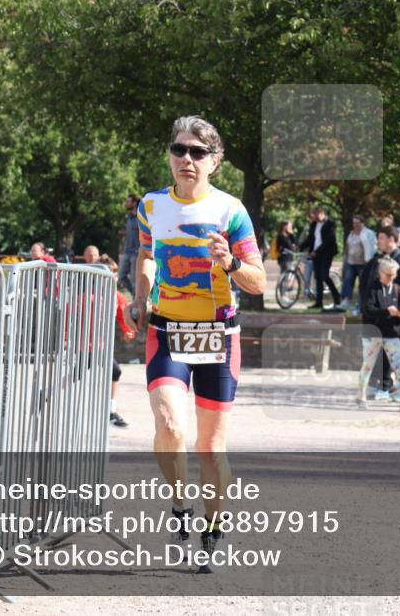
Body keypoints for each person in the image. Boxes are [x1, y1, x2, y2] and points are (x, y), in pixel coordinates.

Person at [130, 115, 265, 573]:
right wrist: (141, 296)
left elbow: (258, 281)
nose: (186, 158)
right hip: (167, 329)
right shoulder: (151, 206)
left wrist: (230, 263)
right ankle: (179, 504)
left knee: (210, 447)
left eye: (197, 152)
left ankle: (214, 529)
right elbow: (146, 254)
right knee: (170, 423)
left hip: (218, 335)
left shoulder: (231, 211)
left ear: (215, 162)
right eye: (179, 149)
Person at [356, 257, 400, 407]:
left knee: (399, 366)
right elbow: (367, 309)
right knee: (368, 365)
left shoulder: (398, 289)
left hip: (392, 333)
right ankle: (361, 395)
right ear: (380, 272)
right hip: (373, 333)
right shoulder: (372, 288)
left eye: (393, 274)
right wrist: (386, 311)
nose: (391, 277)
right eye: (388, 274)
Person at [100, 255, 137, 428]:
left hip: (103, 346)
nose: (114, 277)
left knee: (115, 372)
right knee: (74, 376)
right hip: (86, 345)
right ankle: (48, 393)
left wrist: (128, 331)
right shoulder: (88, 295)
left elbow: (124, 317)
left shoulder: (117, 296)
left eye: (115, 273)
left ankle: (111, 410)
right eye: (111, 273)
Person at [302, 206, 341, 311]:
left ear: (321, 213)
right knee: (318, 278)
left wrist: (317, 251)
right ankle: (319, 302)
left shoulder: (330, 223)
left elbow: (329, 240)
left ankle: (337, 297)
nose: (314, 217)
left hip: (326, 253)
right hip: (316, 254)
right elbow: (310, 238)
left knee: (325, 276)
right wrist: (300, 246)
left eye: (315, 215)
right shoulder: (314, 224)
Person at [341, 215, 376, 312]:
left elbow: (372, 248)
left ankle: (361, 303)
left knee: (363, 284)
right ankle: (346, 300)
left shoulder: (368, 233)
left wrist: (369, 261)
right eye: (354, 223)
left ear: (362, 223)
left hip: (363, 263)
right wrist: (345, 260)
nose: (355, 225)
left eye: (357, 223)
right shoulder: (351, 234)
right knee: (348, 281)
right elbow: (347, 248)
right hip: (351, 262)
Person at [119, 194, 141, 293]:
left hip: (137, 253)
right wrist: (124, 233)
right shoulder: (129, 217)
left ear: (134, 203)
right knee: (121, 276)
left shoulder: (142, 217)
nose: (126, 203)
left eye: (128, 201)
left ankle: (138, 299)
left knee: (134, 280)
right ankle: (135, 296)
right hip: (127, 251)